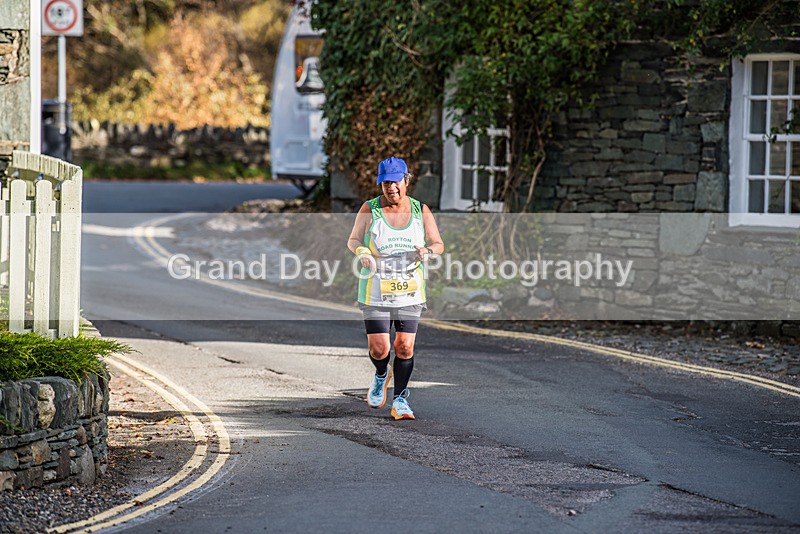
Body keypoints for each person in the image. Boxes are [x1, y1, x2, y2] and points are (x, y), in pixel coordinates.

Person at [347, 156, 444, 420]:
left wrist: (427, 250)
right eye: (385, 183)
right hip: (375, 290)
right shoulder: (370, 209)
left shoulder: (420, 210)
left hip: (410, 289)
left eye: (396, 182)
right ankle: (381, 373)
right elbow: (353, 239)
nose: (391, 188)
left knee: (405, 347)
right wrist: (363, 251)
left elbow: (438, 243)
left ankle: (400, 399)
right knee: (380, 349)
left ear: (406, 180)